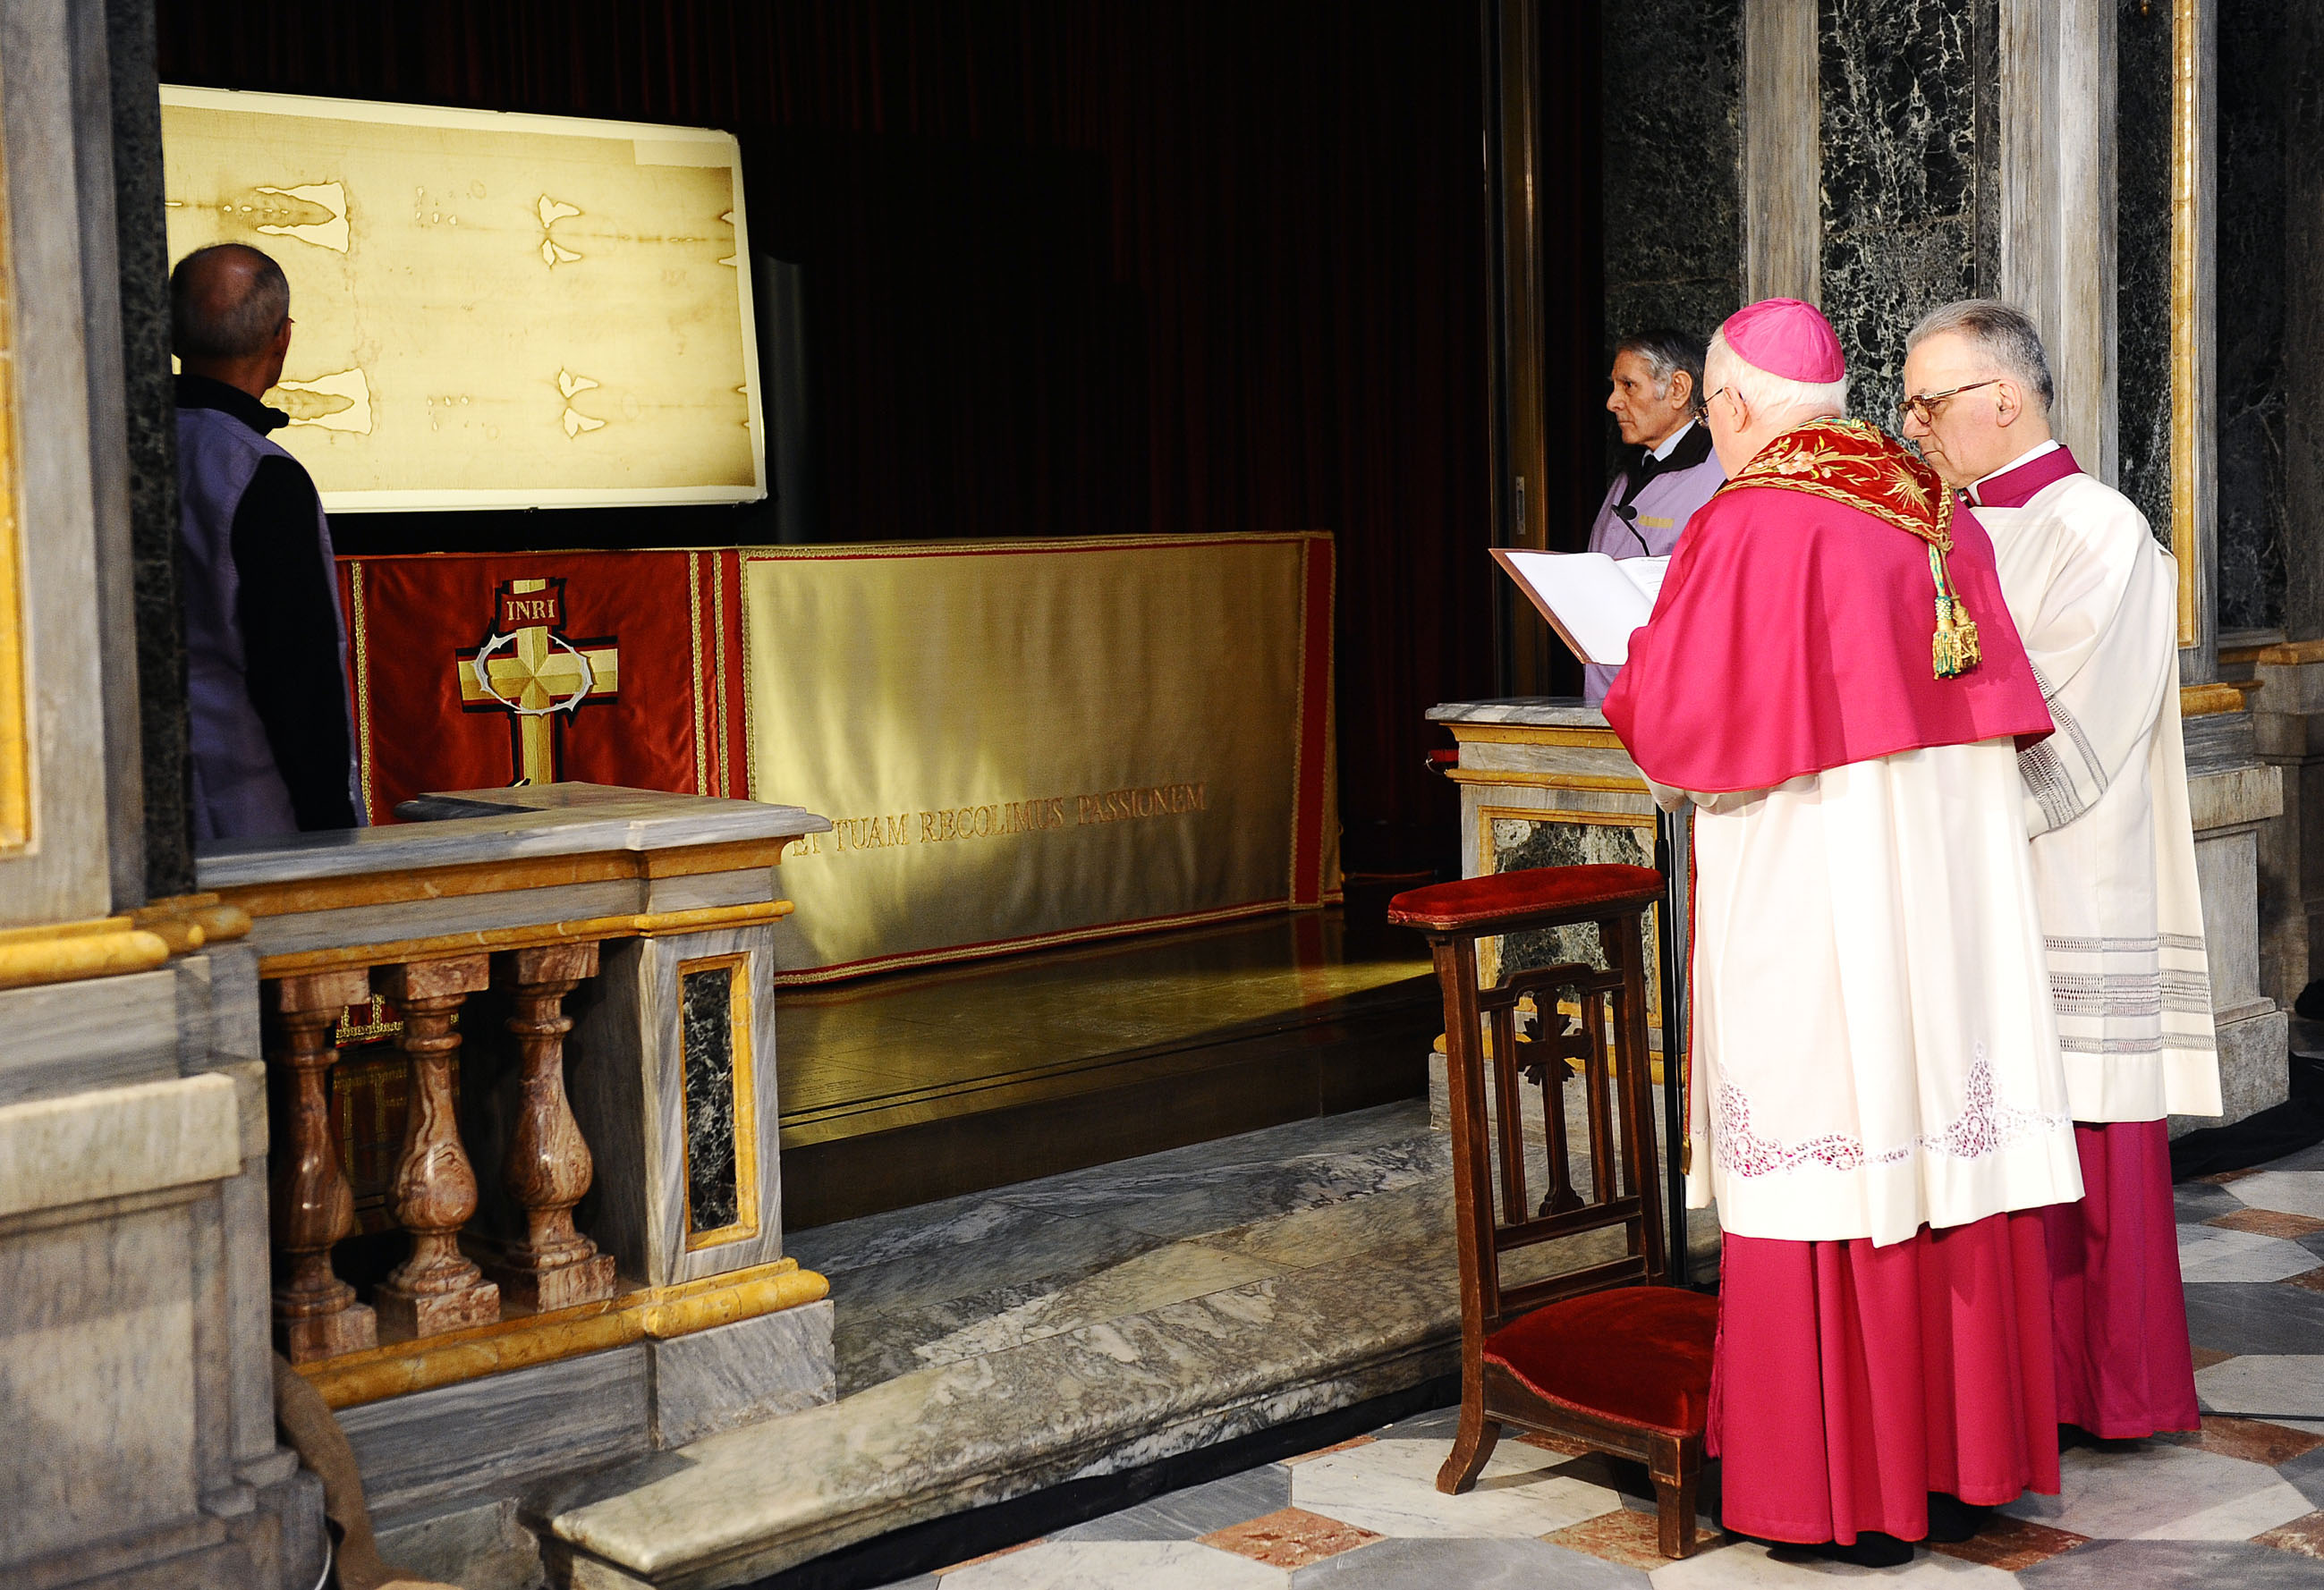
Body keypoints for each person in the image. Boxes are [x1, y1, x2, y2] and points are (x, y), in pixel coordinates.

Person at [1604, 299, 2082, 1563]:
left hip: (1815, 912)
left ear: (1729, 408)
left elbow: (1672, 721)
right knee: (1940, 1153)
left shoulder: (1743, 521)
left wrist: (1640, 655)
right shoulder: (1931, 507)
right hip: (1946, 924)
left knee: (1829, 1149)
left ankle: (1835, 1489)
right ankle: (1957, 1466)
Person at [1902, 299, 2218, 1442]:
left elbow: (2073, 732)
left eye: (1929, 401)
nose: (1914, 423)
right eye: (1906, 402)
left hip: (2066, 879)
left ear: (2006, 396)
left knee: (2087, 1153)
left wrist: (1932, 814)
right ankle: (2011, 1389)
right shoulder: (1943, 528)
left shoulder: (2100, 529)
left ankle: (2105, 1393)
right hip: (1977, 888)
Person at [174, 242, 362, 841]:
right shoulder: (259, 473)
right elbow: (297, 674)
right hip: (252, 814)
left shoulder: (118, 446)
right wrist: (334, 831)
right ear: (282, 339)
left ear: (172, 336)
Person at [1583, 329, 1726, 704]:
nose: (1613, 401)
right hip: (1605, 699)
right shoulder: (1631, 473)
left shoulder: (1722, 474)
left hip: (1674, 704)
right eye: (1615, 386)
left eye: (1629, 385)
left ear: (1678, 389)